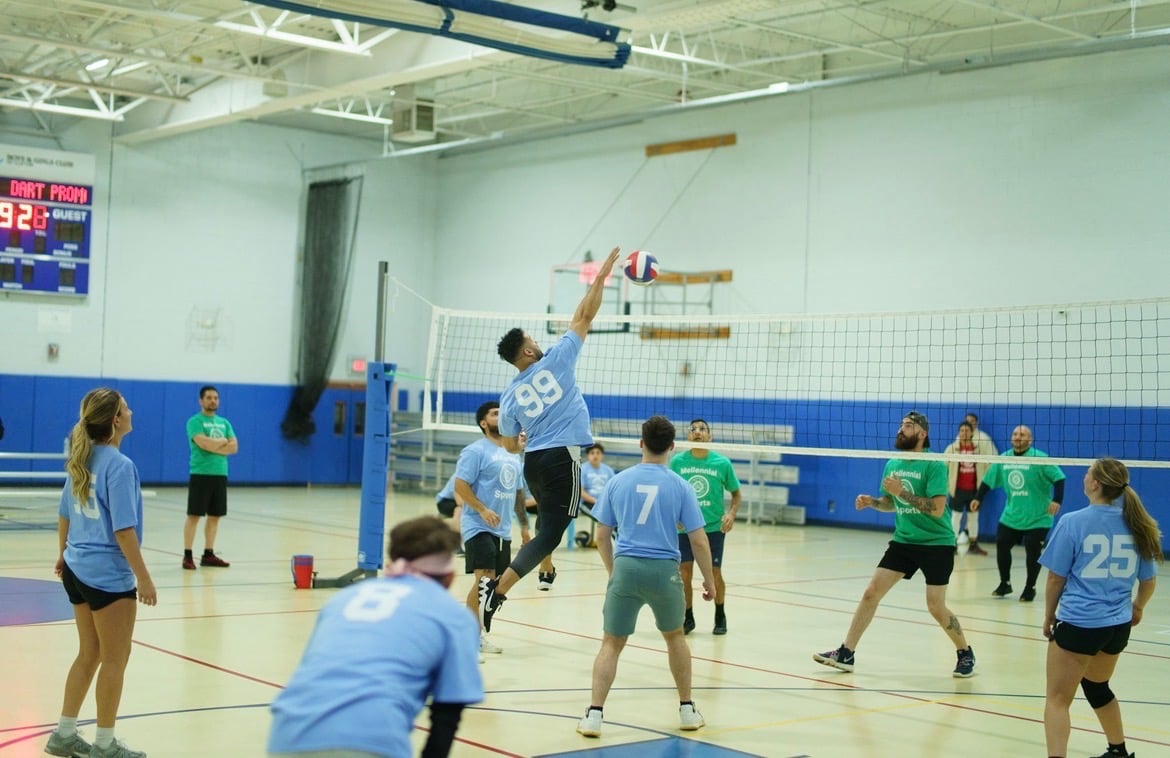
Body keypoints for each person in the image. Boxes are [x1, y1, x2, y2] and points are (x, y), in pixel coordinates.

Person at [478, 246, 622, 632]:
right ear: (528, 350)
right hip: (561, 459)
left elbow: (509, 445)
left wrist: (525, 438)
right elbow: (585, 314)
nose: (538, 343)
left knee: (549, 533)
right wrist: (602, 275)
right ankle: (497, 591)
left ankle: (497, 591)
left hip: (535, 464)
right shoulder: (556, 359)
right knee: (551, 534)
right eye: (533, 340)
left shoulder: (508, 396)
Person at [268, 516, 483, 758]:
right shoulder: (454, 616)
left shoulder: (342, 599)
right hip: (371, 740)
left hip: (287, 735)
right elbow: (447, 713)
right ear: (450, 576)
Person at [576, 415, 715, 738]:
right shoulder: (680, 485)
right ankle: (686, 709)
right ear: (672, 447)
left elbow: (601, 535)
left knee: (611, 643)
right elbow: (698, 541)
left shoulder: (618, 481)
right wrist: (708, 580)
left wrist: (614, 572)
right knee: (675, 637)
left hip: (626, 567)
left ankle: (595, 715)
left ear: (641, 443)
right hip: (665, 570)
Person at [813, 412, 975, 678]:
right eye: (901, 425)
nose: (902, 429)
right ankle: (846, 652)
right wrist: (873, 502)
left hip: (937, 543)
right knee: (870, 592)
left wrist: (903, 493)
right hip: (904, 541)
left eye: (908, 426)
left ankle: (965, 652)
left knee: (936, 606)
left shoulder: (934, 465)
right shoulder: (893, 464)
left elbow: (935, 509)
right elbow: (891, 503)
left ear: (922, 434)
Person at [45, 388, 157, 758]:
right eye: (126, 408)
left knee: (88, 652)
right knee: (114, 658)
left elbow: (64, 513)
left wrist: (63, 553)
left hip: (77, 570)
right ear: (115, 420)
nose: (131, 411)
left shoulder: (83, 457)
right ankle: (105, 745)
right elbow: (123, 530)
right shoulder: (120, 466)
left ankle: (63, 734)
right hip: (107, 575)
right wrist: (143, 576)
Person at [1039, 458, 1161, 758]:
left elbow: (1056, 578)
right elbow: (1149, 581)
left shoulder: (1074, 522)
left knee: (1056, 699)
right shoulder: (1136, 524)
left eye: (1087, 474)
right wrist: (1138, 608)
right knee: (1097, 687)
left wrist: (1048, 615)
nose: (1083, 478)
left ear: (1096, 484)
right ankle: (1118, 751)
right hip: (1116, 628)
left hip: (1080, 624)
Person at [455, 401, 529, 655]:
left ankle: (476, 634)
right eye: (495, 413)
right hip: (479, 526)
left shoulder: (513, 453)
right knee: (484, 581)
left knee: (493, 586)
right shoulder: (475, 451)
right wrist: (482, 510)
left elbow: (519, 493)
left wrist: (525, 527)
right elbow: (460, 486)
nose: (501, 415)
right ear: (484, 423)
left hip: (504, 530)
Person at [971, 425, 1065, 602]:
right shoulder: (1004, 458)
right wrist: (978, 497)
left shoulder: (1040, 458)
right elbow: (988, 480)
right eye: (1015, 434)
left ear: (1030, 440)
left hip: (1038, 517)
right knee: (1002, 544)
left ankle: (1030, 587)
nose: (1017, 437)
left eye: (1022, 434)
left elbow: (1059, 478)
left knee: (1033, 551)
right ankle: (1005, 583)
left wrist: (1057, 500)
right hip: (1012, 515)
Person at [670, 418, 741, 635]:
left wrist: (731, 514)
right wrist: (675, 515)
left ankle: (720, 615)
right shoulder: (677, 462)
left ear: (710, 436)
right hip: (685, 528)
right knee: (684, 573)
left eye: (702, 429)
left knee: (714, 572)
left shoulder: (722, 463)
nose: (698, 432)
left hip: (712, 528)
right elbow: (670, 493)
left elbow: (736, 494)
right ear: (688, 436)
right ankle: (688, 617)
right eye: (693, 429)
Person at [183, 385, 238, 570]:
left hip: (220, 474)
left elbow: (234, 447)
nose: (212, 401)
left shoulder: (225, 422)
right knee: (194, 516)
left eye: (215, 398)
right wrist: (222, 442)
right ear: (201, 401)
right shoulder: (194, 421)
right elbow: (203, 443)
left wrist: (216, 445)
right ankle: (187, 555)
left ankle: (208, 553)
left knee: (215, 516)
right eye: (209, 398)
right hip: (200, 474)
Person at [943, 421, 991, 555]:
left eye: (967, 430)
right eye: (962, 430)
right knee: (956, 517)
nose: (964, 433)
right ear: (959, 432)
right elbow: (943, 468)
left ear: (972, 433)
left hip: (974, 491)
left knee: (973, 518)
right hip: (957, 490)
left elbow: (987, 467)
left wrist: (982, 486)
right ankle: (952, 545)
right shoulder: (952, 449)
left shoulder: (978, 450)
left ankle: (973, 545)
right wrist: (948, 487)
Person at [570, 442, 617, 556]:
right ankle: (615, 542)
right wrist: (597, 501)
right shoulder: (583, 469)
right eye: (592, 453)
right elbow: (580, 491)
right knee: (605, 520)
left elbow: (614, 490)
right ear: (588, 455)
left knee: (617, 518)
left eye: (598, 453)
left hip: (605, 503)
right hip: (587, 503)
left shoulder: (608, 470)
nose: (595, 455)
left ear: (602, 455)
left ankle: (620, 543)